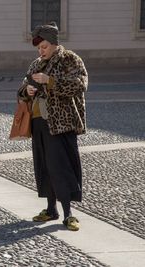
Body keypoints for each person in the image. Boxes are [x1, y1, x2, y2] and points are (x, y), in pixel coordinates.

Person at [18, 22, 88, 231]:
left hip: (61, 123)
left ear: (55, 44)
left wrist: (50, 81)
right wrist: (27, 90)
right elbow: (22, 87)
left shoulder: (70, 59)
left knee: (62, 167)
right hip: (38, 123)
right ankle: (51, 209)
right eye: (39, 48)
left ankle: (68, 214)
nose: (41, 51)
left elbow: (80, 84)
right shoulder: (36, 63)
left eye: (45, 47)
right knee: (45, 167)